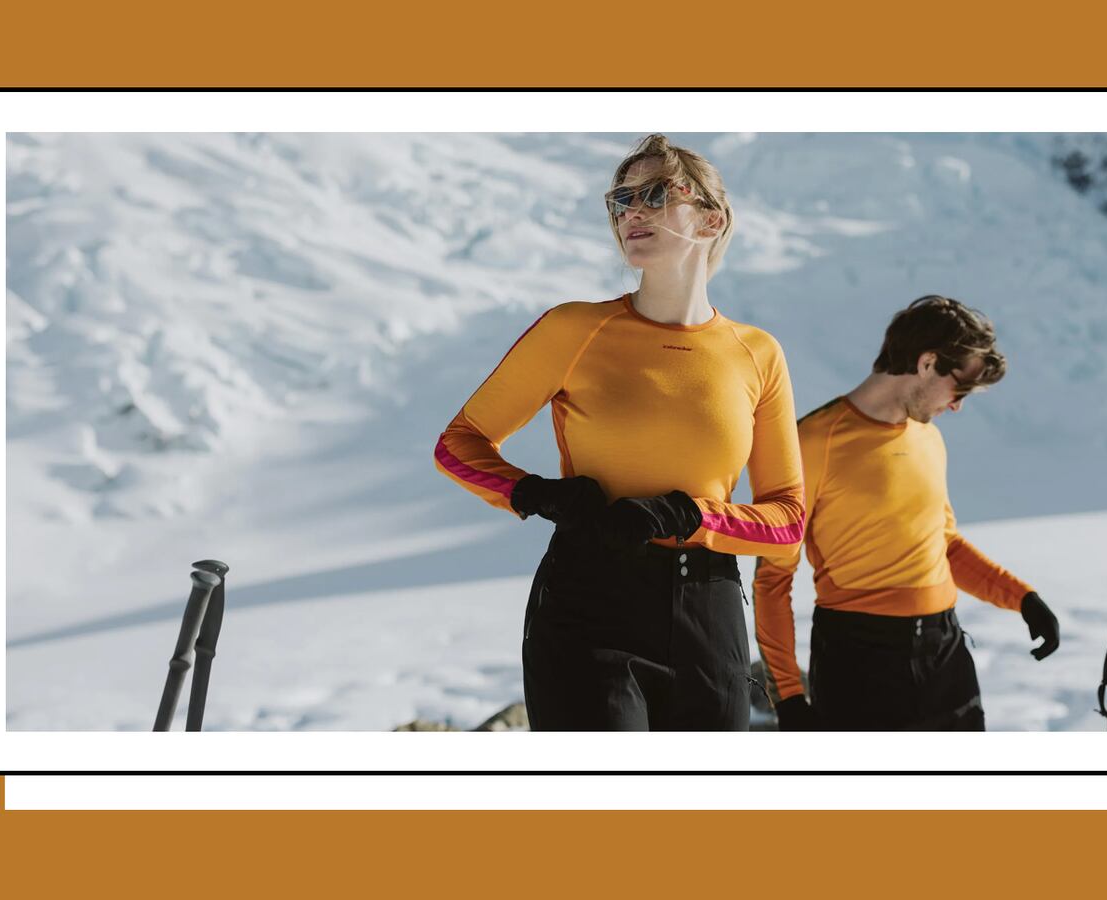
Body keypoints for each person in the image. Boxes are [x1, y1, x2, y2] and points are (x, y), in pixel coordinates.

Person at [434, 134, 805, 731]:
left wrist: (691, 516)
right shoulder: (574, 328)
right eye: (621, 199)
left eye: (656, 194)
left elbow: (787, 521)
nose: (632, 210)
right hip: (589, 602)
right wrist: (536, 493)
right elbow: (460, 444)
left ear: (712, 219)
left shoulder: (757, 354)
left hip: (708, 616)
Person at [752, 296, 1060, 731]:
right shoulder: (813, 441)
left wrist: (1023, 599)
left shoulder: (928, 438)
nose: (958, 405)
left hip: (946, 656)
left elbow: (943, 544)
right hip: (858, 663)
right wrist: (787, 696)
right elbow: (772, 580)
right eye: (961, 387)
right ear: (928, 362)